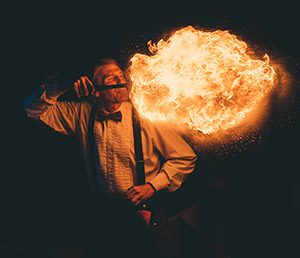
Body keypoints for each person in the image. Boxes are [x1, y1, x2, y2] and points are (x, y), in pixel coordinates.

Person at [24, 58, 197, 258]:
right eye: (110, 78)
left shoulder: (146, 115)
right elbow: (33, 109)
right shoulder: (81, 114)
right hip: (102, 212)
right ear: (95, 90)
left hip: (142, 212)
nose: (120, 78)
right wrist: (63, 86)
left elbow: (185, 157)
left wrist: (153, 186)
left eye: (120, 75)